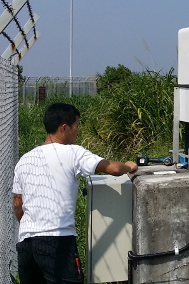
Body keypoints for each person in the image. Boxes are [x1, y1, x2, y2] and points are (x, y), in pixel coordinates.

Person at [12, 103, 138, 284]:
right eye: (76, 126)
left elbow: (18, 204)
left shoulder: (25, 160)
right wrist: (129, 165)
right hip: (58, 241)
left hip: (26, 245)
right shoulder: (72, 152)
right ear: (64, 127)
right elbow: (114, 169)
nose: (77, 131)